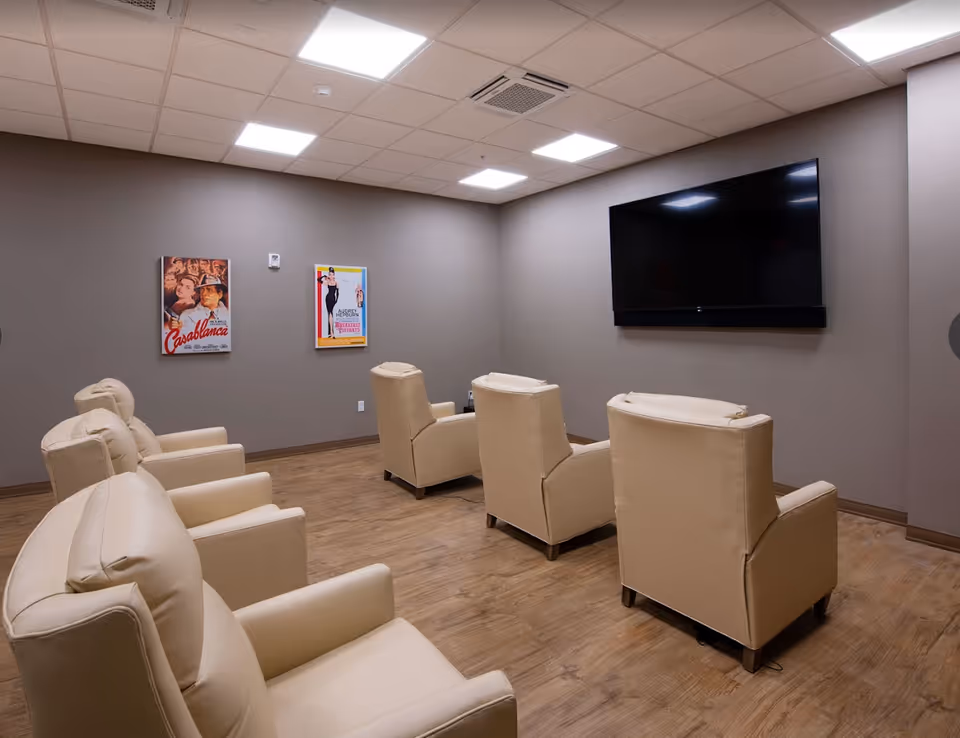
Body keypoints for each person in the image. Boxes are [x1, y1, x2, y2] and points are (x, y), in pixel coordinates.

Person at [318, 267, 338, 338]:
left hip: (333, 299)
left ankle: (331, 333)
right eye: (330, 274)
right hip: (328, 298)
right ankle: (331, 333)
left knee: (331, 314)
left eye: (332, 274)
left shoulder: (336, 282)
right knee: (330, 314)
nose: (331, 276)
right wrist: (324, 276)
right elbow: (318, 279)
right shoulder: (327, 282)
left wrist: (336, 300)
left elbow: (337, 292)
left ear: (334, 275)